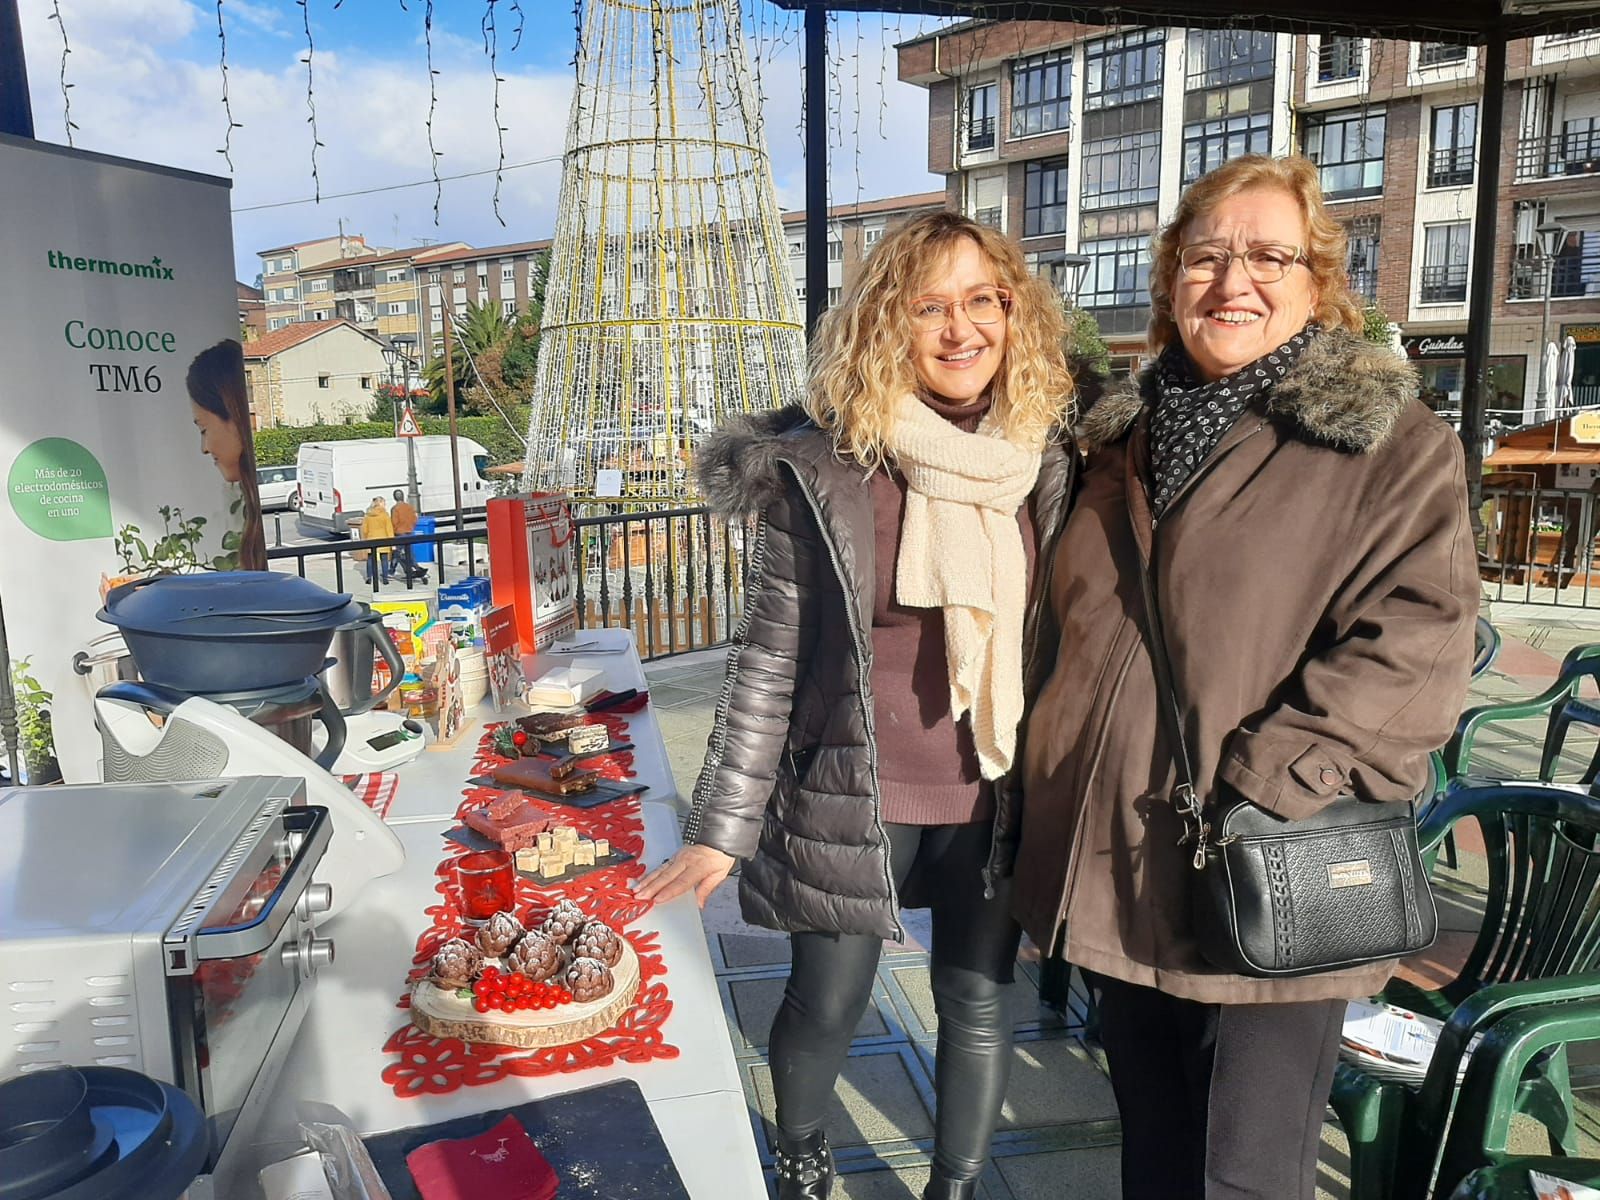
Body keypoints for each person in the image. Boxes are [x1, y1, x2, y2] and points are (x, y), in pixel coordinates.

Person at [1012, 154, 1479, 1200]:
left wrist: (1264, 788)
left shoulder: (1387, 448)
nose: (1234, 283)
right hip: (1119, 856)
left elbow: (1418, 646)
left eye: (1269, 256)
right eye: (1207, 255)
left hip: (1267, 859)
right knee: (1157, 1152)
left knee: (1245, 1176)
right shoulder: (1113, 439)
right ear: (1169, 274)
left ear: (1320, 282)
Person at [636, 212, 1075, 1200]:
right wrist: (721, 828)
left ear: (1014, 313)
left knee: (975, 1002)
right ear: (887, 323)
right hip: (849, 785)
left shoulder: (1046, 457)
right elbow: (769, 663)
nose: (960, 329)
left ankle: (955, 1187)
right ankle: (799, 1149)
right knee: (825, 1001)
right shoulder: (827, 467)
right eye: (930, 307)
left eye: (981, 301)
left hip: (996, 790)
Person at [186, 339, 266, 570]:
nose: (204, 448)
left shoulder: (244, 507)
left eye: (203, 429)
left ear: (233, 415)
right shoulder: (241, 501)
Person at [390, 488, 426, 582]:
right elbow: (415, 519)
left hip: (400, 534)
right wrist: (410, 527)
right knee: (409, 553)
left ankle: (394, 571)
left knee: (398, 554)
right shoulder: (409, 507)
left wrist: (394, 532)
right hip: (409, 532)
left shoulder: (395, 509)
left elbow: (394, 522)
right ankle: (415, 569)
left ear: (394, 498)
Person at [358, 496, 394, 586]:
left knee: (370, 559)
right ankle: (385, 578)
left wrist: (365, 538)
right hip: (383, 539)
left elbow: (364, 530)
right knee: (384, 559)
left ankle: (369, 577)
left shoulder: (368, 515)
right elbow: (389, 529)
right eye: (384, 503)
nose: (385, 505)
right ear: (380, 503)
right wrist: (392, 542)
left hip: (371, 538)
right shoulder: (385, 515)